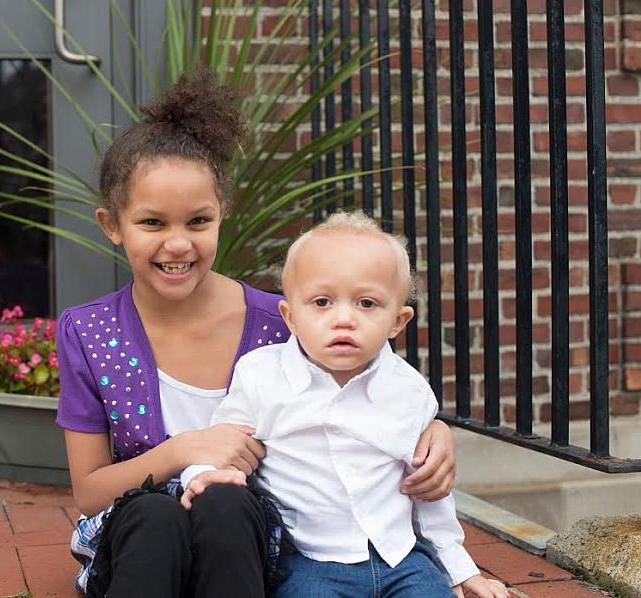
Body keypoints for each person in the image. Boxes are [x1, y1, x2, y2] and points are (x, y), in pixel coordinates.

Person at [56, 66, 457, 598]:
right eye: (153, 223)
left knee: (227, 503)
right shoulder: (89, 332)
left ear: (222, 214)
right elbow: (89, 492)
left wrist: (434, 432)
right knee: (155, 517)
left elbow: (371, 382)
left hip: (244, 537)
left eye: (197, 221)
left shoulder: (284, 320)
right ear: (112, 225)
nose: (178, 244)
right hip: (140, 536)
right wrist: (185, 449)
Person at [179, 212, 509, 598]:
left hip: (401, 558)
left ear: (397, 322)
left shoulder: (408, 390)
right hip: (309, 561)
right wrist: (200, 475)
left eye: (367, 303)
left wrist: (459, 568)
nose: (343, 319)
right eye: (321, 302)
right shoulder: (261, 377)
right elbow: (220, 443)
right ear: (290, 316)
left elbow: (429, 489)